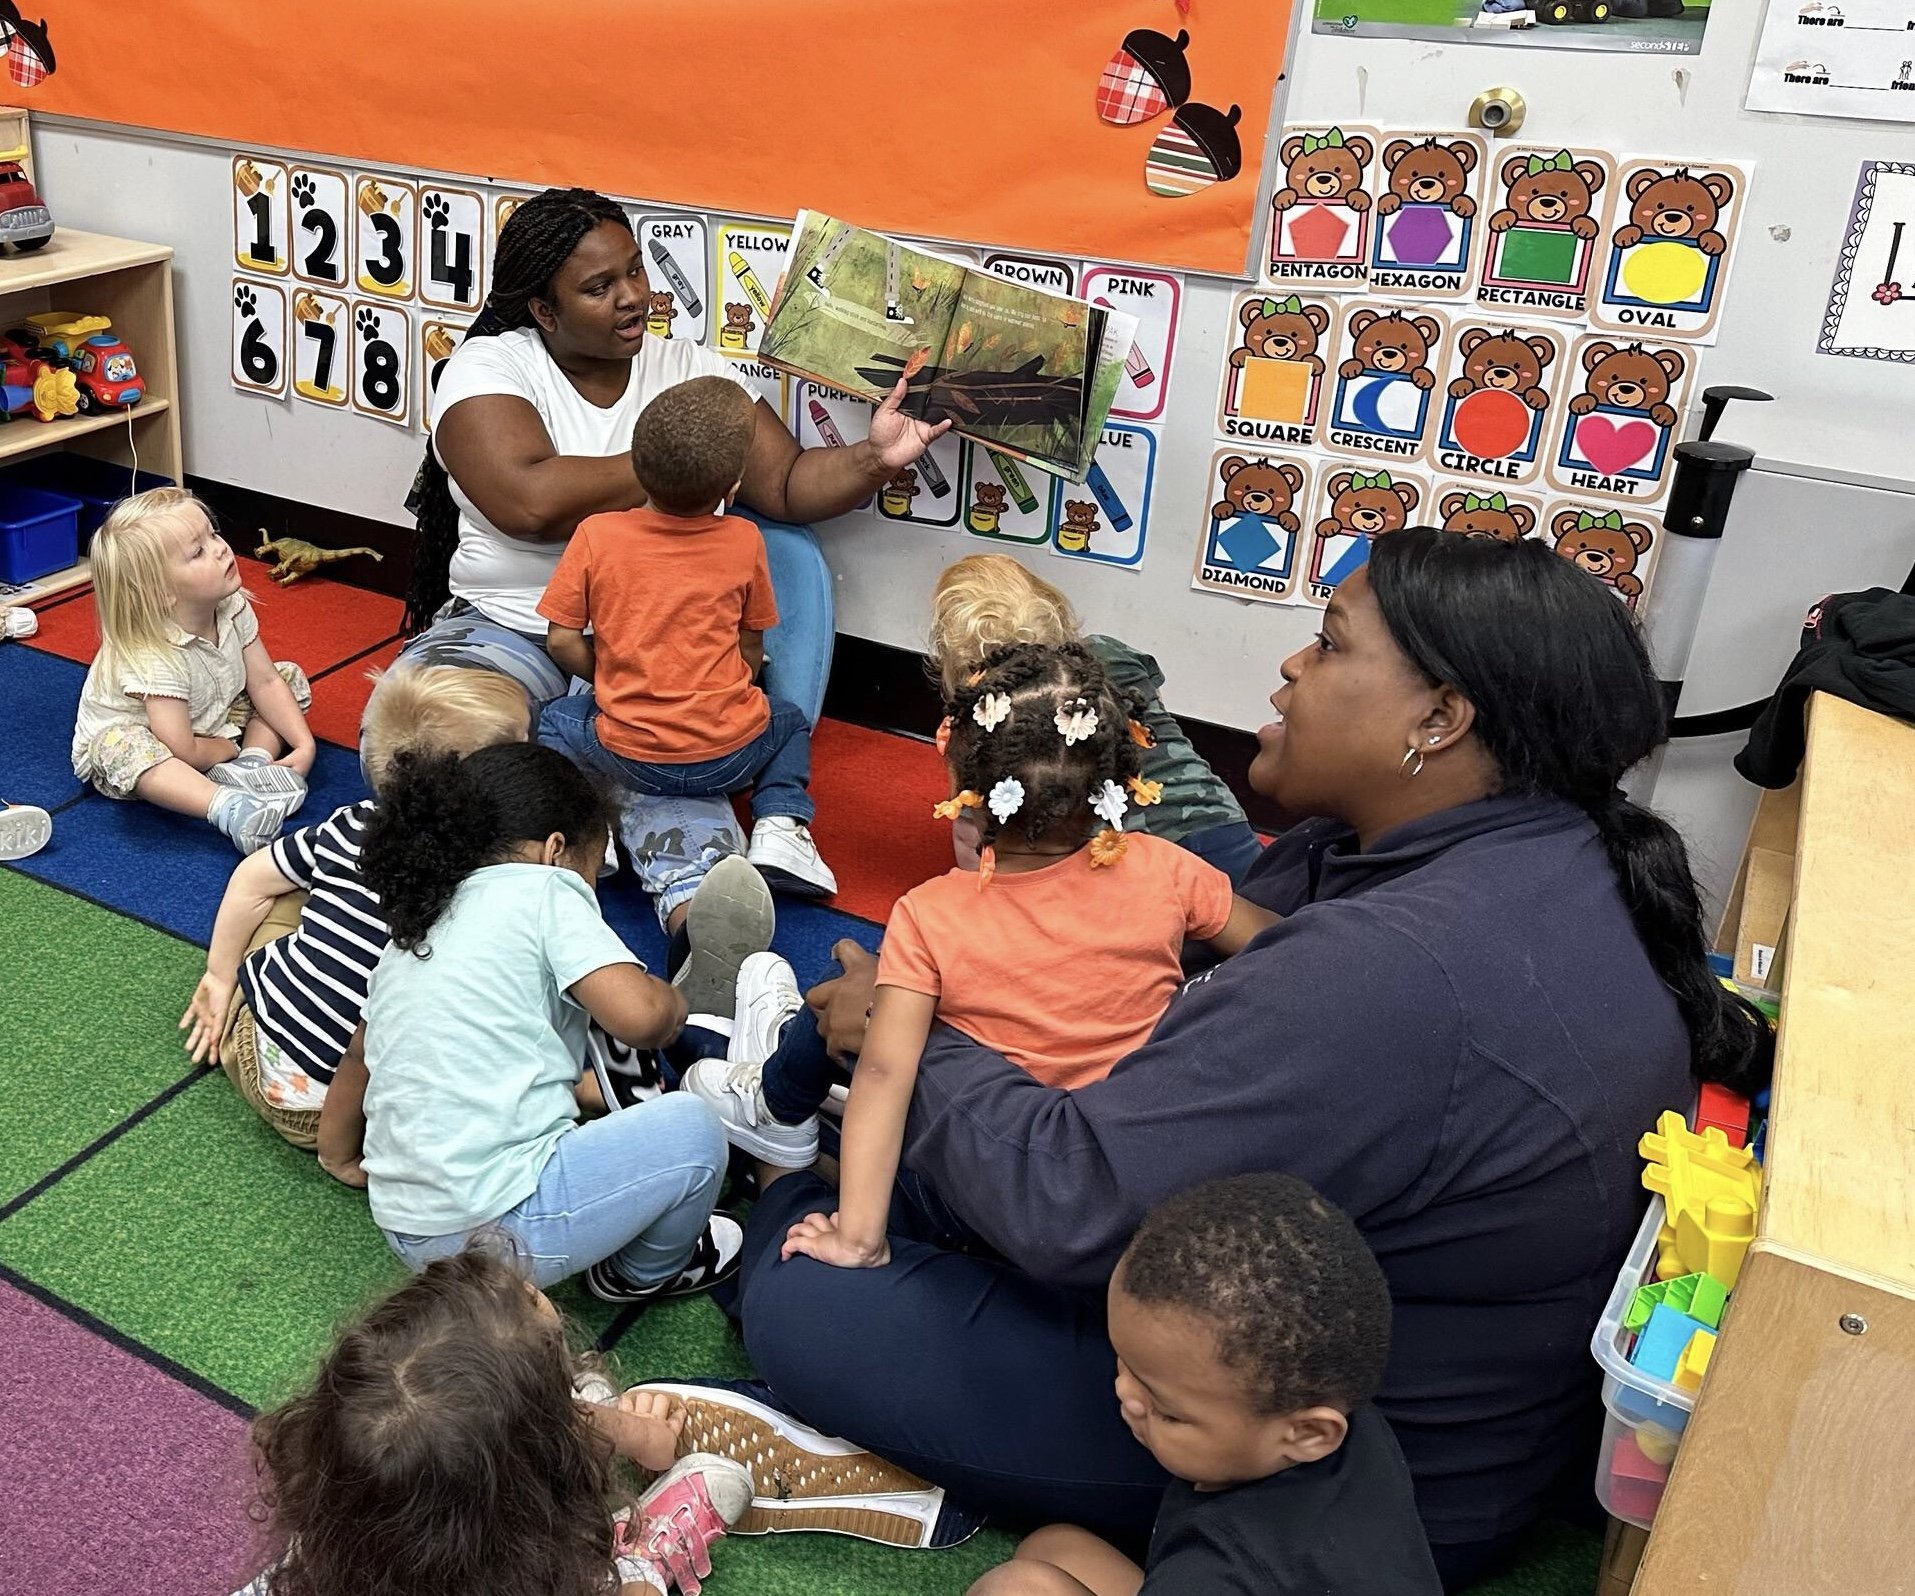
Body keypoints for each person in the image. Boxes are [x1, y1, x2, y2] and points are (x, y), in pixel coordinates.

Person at [711, 529, 1775, 1591]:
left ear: (1439, 720)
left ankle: (766, 1198)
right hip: (1320, 1342)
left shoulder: (1392, 973)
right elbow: (1220, 895)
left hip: (1325, 1457)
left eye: (1326, 645)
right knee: (899, 1165)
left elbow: (1071, 1205)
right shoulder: (1525, 849)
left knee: (810, 1284)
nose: (1290, 666)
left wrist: (908, 1026)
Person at [399, 187, 943, 926]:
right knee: (424, 741)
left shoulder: (690, 368)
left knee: (683, 797)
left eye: (634, 272)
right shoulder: (490, 367)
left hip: (662, 650)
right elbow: (526, 502)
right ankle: (552, 862)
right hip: (511, 623)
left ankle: (692, 911)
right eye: (599, 287)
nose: (632, 298)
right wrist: (684, 455)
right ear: (543, 310)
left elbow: (782, 482)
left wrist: (873, 459)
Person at [681, 643, 1272, 1251]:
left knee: (843, 1033)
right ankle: (762, 1073)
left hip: (979, 1178)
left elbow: (886, 1070)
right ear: (1119, 779)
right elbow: (1281, 948)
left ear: (966, 791)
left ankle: (766, 1098)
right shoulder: (1167, 868)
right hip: (1119, 1159)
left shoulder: (930, 913)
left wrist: (859, 1239)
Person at [315, 742, 737, 1306]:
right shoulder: (543, 889)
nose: (592, 888)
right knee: (694, 1129)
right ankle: (641, 1273)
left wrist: (336, 1153)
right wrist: (674, 1004)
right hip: (498, 1236)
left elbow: (362, 1057)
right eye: (596, 868)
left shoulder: (421, 924)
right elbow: (639, 1020)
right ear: (556, 851)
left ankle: (603, 1137)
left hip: (404, 1226)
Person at [969, 1174, 1439, 1596]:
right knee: (1055, 1547)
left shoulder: (1218, 1572)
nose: (1127, 1397)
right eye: (1125, 1364)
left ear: (1309, 1434)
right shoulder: (1335, 1409)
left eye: (1167, 1411)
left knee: (1017, 1588)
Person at [238, 1246, 755, 1596]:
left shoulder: (340, 1499)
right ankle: (640, 1553)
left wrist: (565, 1416)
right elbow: (643, 1449)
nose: (531, 1290)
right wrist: (649, 1437)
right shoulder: (539, 1571)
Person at [180, 665, 532, 1148]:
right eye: (525, 746)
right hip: (369, 1118)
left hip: (263, 1061)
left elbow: (249, 879)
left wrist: (220, 976)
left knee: (292, 883)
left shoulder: (355, 825)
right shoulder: (502, 878)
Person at [538, 376, 834, 897]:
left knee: (554, 721)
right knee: (788, 721)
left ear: (636, 467)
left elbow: (561, 642)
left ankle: (587, 829)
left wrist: (611, 676)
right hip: (728, 759)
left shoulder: (596, 534)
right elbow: (751, 648)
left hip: (626, 753)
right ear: (733, 487)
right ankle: (780, 825)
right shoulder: (745, 539)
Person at [928, 555, 1263, 882]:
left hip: (1126, 866)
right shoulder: (1110, 650)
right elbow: (1155, 719)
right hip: (1224, 828)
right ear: (1054, 607)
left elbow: (972, 828)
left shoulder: (984, 715)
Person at [71, 487, 316, 854]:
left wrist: (303, 743)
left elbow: (264, 681)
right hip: (159, 747)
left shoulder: (229, 604)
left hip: (209, 722)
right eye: (197, 552)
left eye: (212, 534)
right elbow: (179, 748)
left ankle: (252, 765)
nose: (219, 548)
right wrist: (223, 749)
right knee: (122, 746)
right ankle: (227, 807)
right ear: (161, 592)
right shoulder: (153, 653)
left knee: (287, 676)